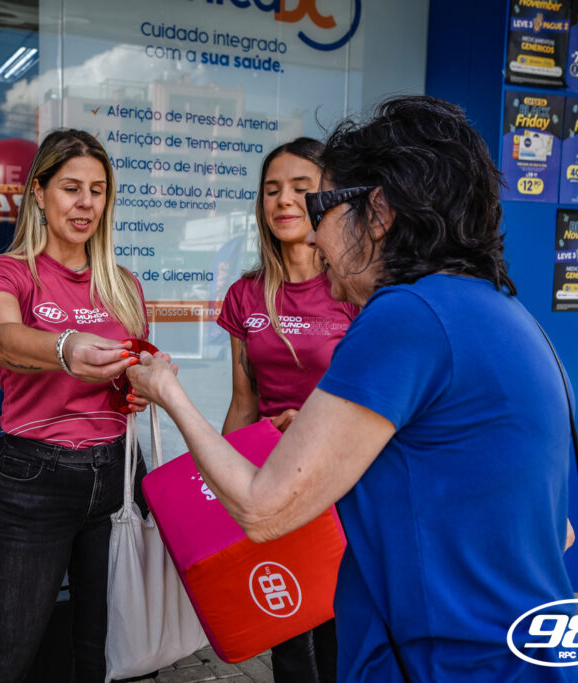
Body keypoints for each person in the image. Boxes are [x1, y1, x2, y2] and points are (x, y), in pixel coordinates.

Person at [127, 96, 578, 682]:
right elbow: (556, 529)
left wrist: (168, 392)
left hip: (445, 664)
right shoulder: (502, 312)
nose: (314, 237)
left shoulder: (405, 316)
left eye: (319, 206)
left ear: (376, 213)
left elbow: (261, 508)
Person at [0, 128, 155, 683]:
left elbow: (130, 374)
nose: (85, 203)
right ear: (39, 193)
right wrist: (65, 348)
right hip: (35, 477)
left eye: (97, 190)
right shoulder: (6, 272)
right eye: (71, 188)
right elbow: (1, 338)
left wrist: (143, 383)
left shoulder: (123, 285)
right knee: (5, 657)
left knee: (101, 651)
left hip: (118, 472)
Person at [218, 138, 356, 683]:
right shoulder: (245, 295)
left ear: (329, 198)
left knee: (342, 628)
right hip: (274, 481)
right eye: (272, 190)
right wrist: (220, 487)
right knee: (288, 629)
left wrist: (317, 427)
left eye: (301, 189)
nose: (284, 201)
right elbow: (243, 403)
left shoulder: (355, 289)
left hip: (342, 483)